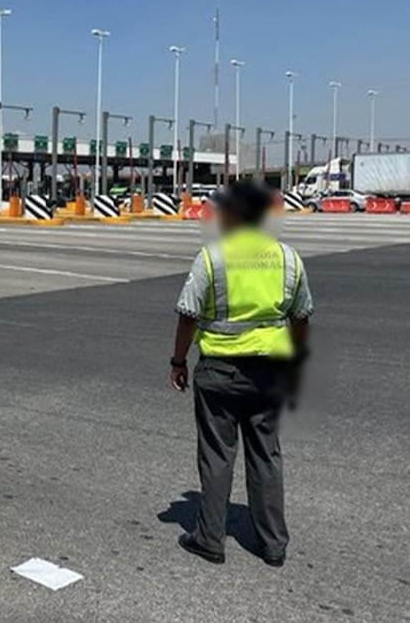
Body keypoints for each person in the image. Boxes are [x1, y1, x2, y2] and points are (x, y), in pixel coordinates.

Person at [169, 181, 313, 567]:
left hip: (219, 372)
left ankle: (210, 539)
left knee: (217, 455)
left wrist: (178, 360)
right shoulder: (288, 258)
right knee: (266, 454)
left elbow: (188, 313)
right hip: (269, 372)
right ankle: (274, 545)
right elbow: (301, 316)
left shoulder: (213, 257)